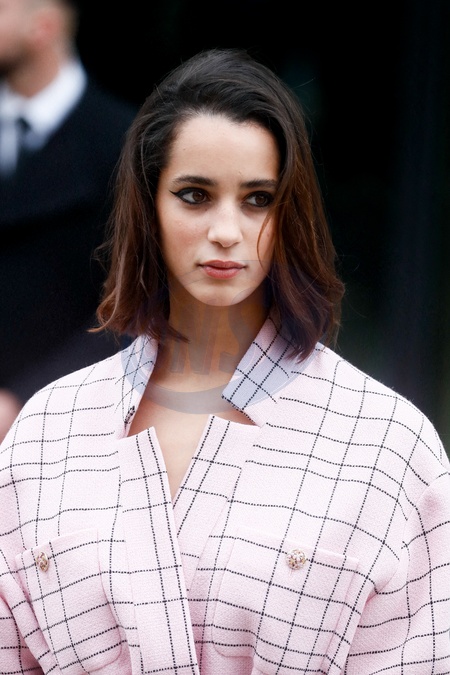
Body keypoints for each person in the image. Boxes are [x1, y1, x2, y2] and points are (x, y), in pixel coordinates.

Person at [0, 47, 449, 675]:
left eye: (258, 199)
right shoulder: (48, 431)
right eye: (194, 195)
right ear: (149, 207)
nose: (226, 231)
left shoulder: (385, 443)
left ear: (289, 214)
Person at [0, 0, 137, 405]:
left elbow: (135, 305)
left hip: (66, 411)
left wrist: (25, 398)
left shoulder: (124, 144)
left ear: (42, 26)